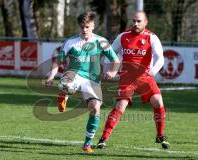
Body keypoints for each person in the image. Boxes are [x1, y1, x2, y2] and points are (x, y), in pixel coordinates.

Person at [45, 11, 120, 153]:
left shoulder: (101, 41)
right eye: (82, 27)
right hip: (74, 74)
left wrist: (113, 71)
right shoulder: (71, 42)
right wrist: (51, 76)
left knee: (95, 108)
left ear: (93, 26)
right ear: (79, 27)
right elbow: (58, 61)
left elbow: (115, 60)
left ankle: (87, 144)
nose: (84, 30)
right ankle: (64, 94)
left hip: (92, 80)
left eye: (87, 27)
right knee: (66, 83)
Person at [97, 11, 170, 149]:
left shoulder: (151, 37)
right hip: (127, 78)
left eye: (139, 21)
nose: (135, 24)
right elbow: (110, 54)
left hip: (145, 77)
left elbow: (160, 58)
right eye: (134, 21)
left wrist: (153, 71)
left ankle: (161, 135)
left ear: (145, 22)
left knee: (158, 101)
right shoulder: (123, 36)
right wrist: (111, 70)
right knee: (120, 106)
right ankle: (103, 139)